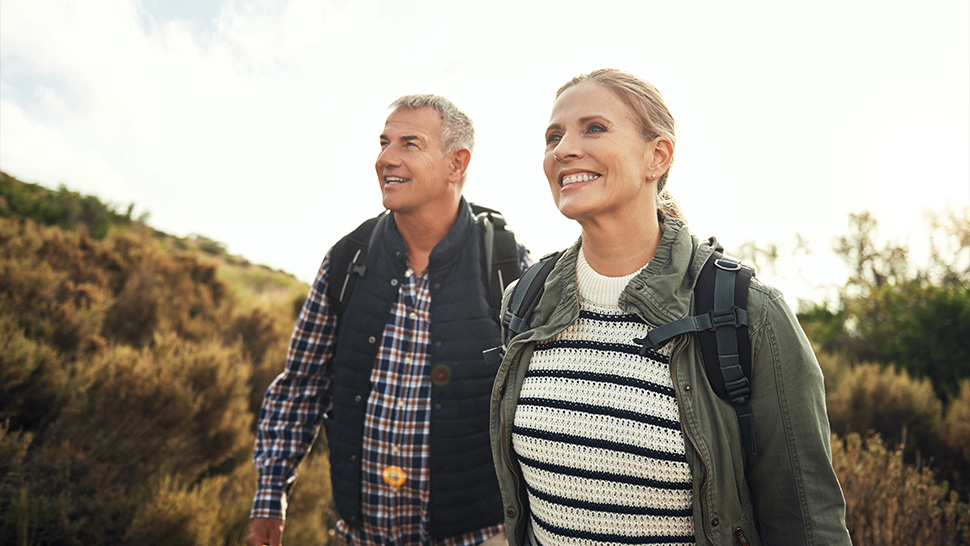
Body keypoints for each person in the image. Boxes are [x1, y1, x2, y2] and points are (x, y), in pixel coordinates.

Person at [489, 69, 852, 545]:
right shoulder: (526, 300)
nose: (563, 149)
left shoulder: (748, 313)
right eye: (554, 136)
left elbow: (808, 522)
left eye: (593, 128)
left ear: (656, 156)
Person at [247, 94, 529, 546]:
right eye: (384, 142)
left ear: (457, 164)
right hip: (358, 536)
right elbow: (300, 387)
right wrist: (269, 498)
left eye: (409, 144)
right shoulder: (346, 260)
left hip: (477, 537)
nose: (385, 158)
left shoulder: (507, 265)